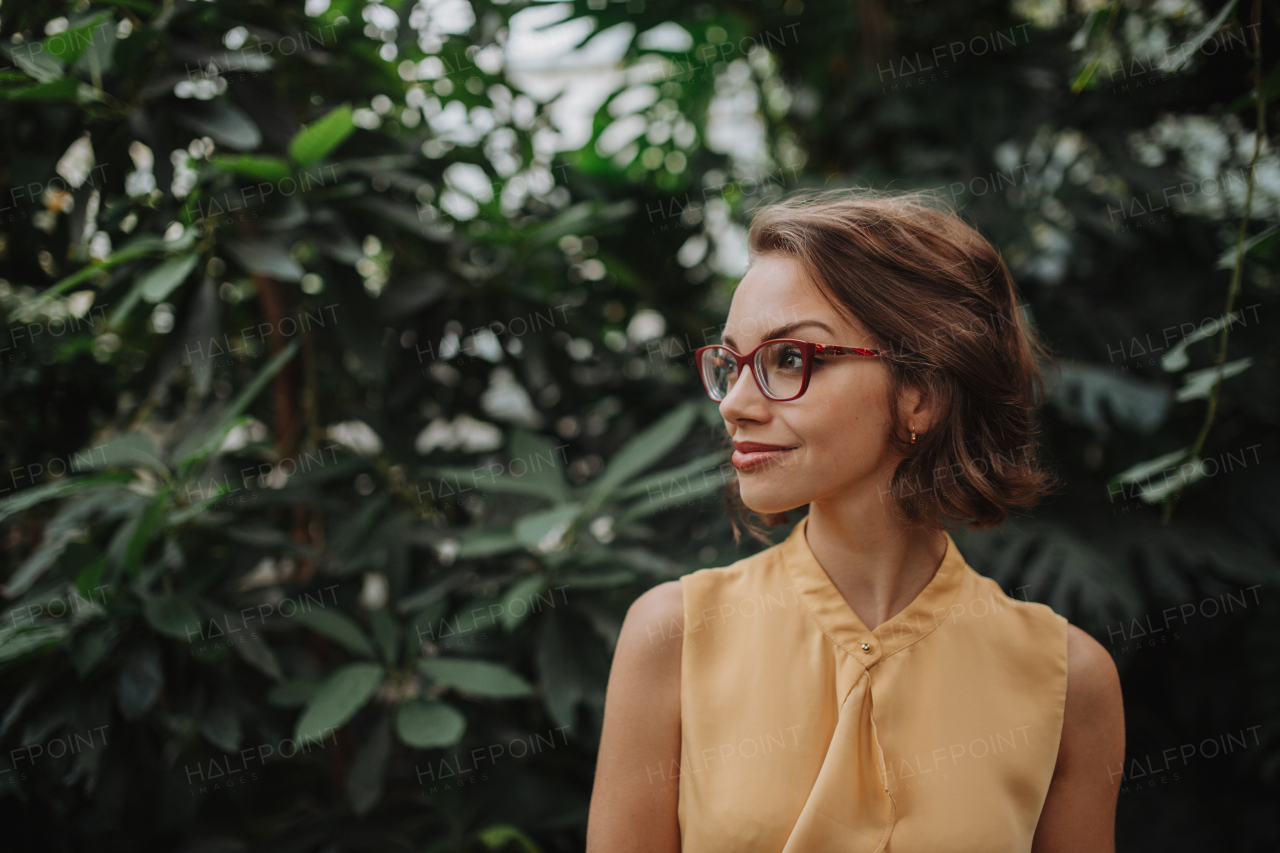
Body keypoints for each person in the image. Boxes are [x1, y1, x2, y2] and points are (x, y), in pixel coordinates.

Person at [585, 189, 1124, 852]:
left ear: (920, 392)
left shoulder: (1069, 678)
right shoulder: (673, 635)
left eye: (790, 359)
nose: (737, 405)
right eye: (731, 364)